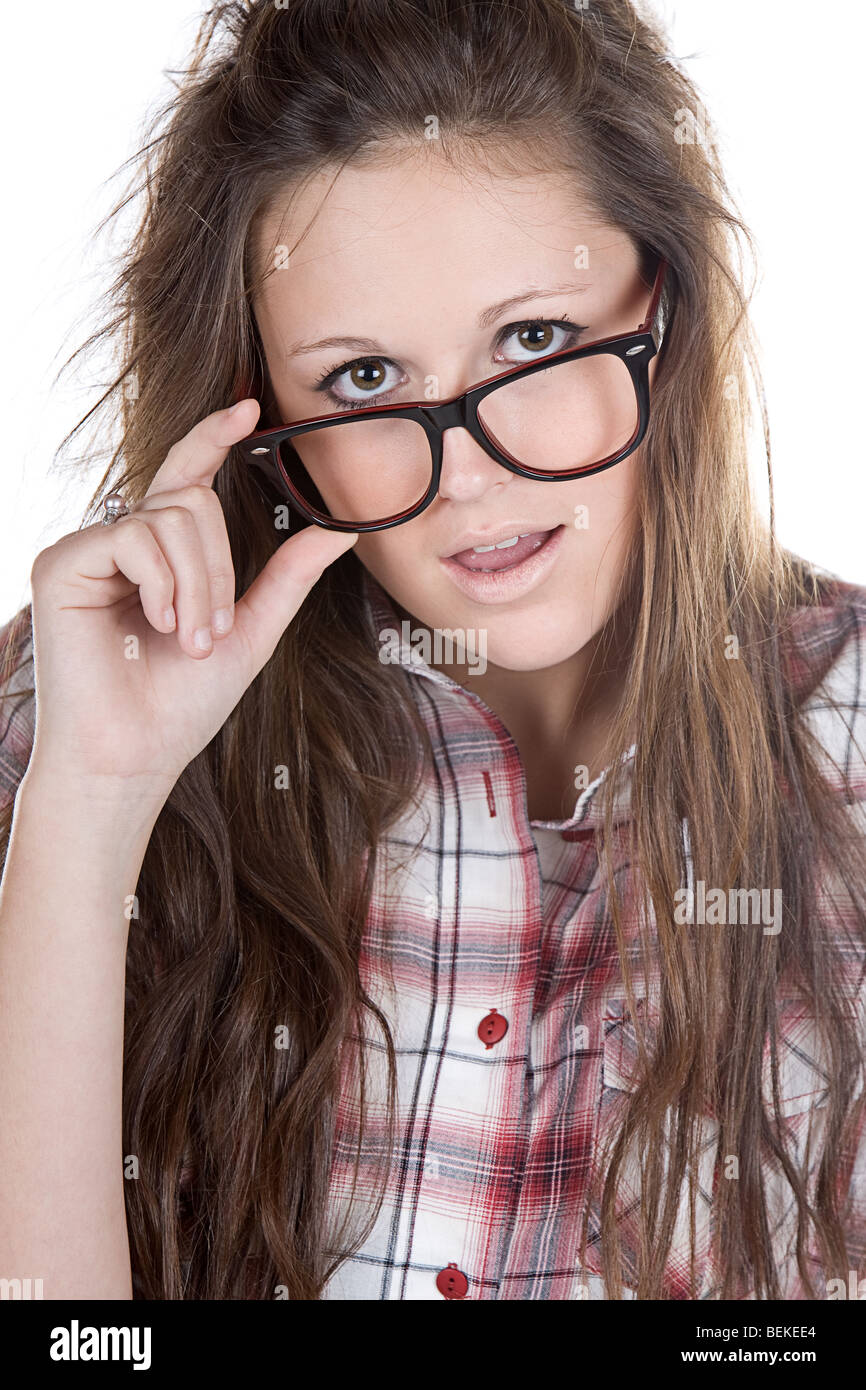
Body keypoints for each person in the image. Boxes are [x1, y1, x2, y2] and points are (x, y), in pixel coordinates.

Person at [0, 0, 864, 1302]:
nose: (465, 473)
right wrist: (94, 803)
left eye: (530, 340)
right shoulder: (72, 715)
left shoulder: (845, 734)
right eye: (361, 382)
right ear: (257, 417)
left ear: (668, 316)